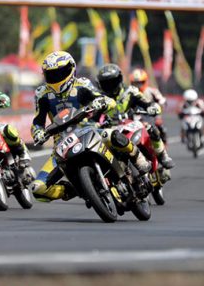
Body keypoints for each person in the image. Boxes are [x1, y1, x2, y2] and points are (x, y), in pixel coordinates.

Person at [30, 51, 149, 202]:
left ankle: (139, 159)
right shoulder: (42, 94)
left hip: (90, 129)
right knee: (38, 189)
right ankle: (71, 190)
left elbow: (106, 100)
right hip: (62, 144)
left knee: (112, 135)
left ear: (71, 69)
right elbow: (38, 121)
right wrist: (38, 132)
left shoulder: (83, 84)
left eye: (60, 73)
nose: (56, 78)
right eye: (51, 74)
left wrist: (101, 102)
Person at [98, 64, 173, 169]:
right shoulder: (99, 98)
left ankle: (162, 155)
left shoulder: (130, 91)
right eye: (106, 83)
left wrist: (152, 107)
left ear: (119, 79)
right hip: (110, 130)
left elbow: (146, 102)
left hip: (131, 123)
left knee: (151, 129)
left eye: (113, 82)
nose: (110, 85)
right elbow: (91, 115)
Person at [129, 68, 167, 142]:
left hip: (151, 115)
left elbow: (162, 101)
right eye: (135, 83)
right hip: (136, 116)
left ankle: (163, 142)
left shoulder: (152, 91)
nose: (138, 86)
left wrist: (158, 112)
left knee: (159, 125)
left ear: (145, 81)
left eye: (140, 83)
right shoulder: (129, 93)